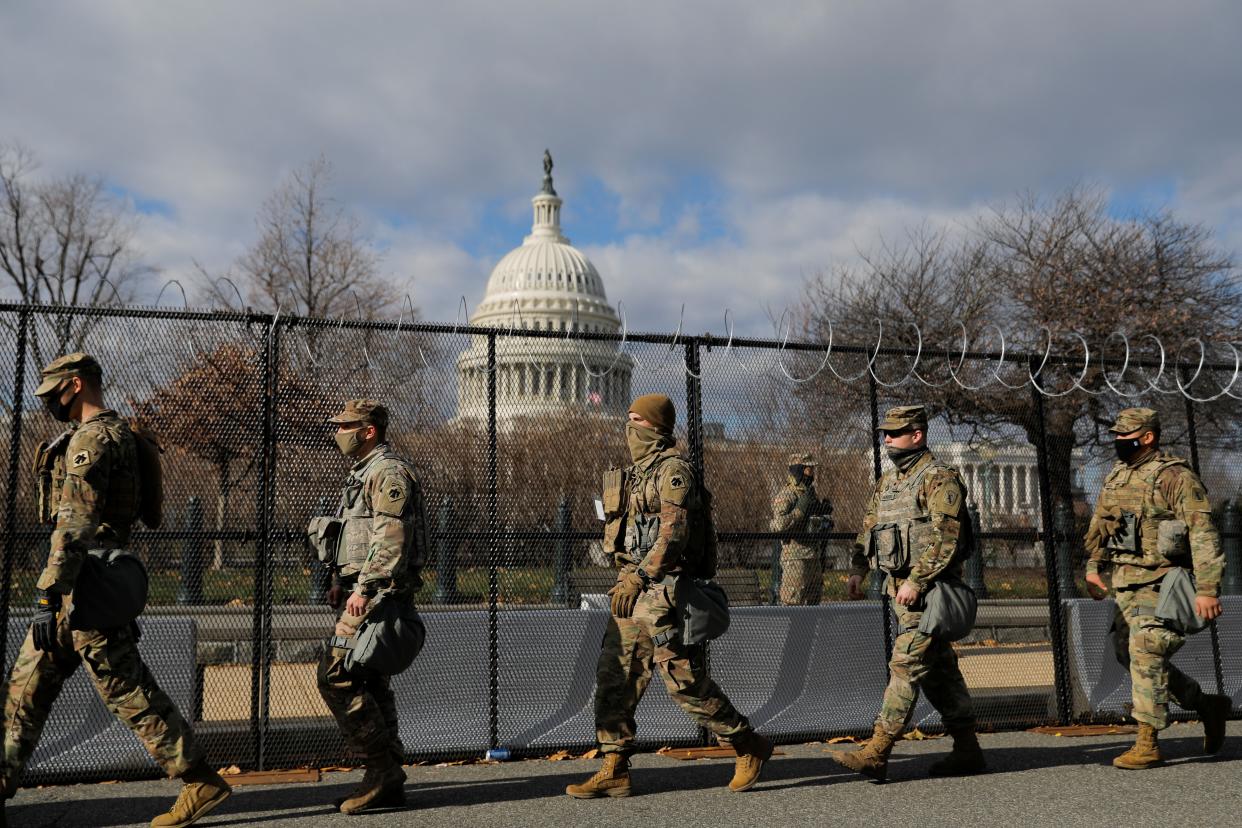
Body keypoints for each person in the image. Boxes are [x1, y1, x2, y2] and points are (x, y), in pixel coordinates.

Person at [1, 353, 230, 828]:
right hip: (84, 584)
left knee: (126, 689)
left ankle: (200, 778)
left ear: (77, 385)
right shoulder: (120, 434)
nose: (48, 404)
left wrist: (48, 593)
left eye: (52, 394)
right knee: (24, 690)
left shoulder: (92, 439)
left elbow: (75, 523)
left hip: (85, 585)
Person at [566, 394, 772, 798]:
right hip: (631, 592)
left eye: (636, 421)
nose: (629, 428)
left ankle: (748, 744)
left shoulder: (674, 471)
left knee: (685, 683)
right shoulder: (633, 473)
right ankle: (614, 766)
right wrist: (629, 578)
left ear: (656, 428)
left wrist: (639, 577)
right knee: (615, 678)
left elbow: (673, 534)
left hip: (662, 592)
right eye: (627, 419)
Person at [833, 405, 985, 780]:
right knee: (939, 673)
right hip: (901, 592)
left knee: (905, 665)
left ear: (917, 435)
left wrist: (917, 580)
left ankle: (878, 750)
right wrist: (857, 568)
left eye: (894, 433)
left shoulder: (939, 478)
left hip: (930, 593)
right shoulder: (888, 483)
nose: (887, 439)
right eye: (885, 433)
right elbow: (869, 528)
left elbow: (945, 538)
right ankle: (968, 749)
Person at [1083, 407, 1229, 768]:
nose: (1118, 441)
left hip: (1163, 581)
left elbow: (1202, 532)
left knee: (1146, 648)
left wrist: (1208, 588)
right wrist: (1092, 566)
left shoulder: (1176, 476)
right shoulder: (1117, 475)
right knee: (1129, 654)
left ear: (1148, 437)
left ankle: (1147, 741)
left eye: (1125, 435)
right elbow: (1101, 524)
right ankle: (1205, 704)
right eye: (1116, 435)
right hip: (1125, 583)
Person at [315, 399, 426, 813]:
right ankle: (387, 779)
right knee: (369, 679)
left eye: (345, 425)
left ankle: (382, 771)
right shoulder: (363, 473)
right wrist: (338, 583)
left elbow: (391, 536)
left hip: (378, 596)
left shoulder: (388, 472)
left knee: (336, 675)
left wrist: (363, 589)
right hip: (363, 591)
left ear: (369, 431)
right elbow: (354, 536)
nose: (337, 432)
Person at [770, 453, 831, 605]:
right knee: (793, 607)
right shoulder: (787, 494)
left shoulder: (809, 493)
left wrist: (822, 514)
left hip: (813, 557)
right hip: (795, 560)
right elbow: (778, 526)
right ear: (799, 470)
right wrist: (799, 511)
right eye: (809, 469)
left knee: (813, 607)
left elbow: (812, 524)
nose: (812, 473)